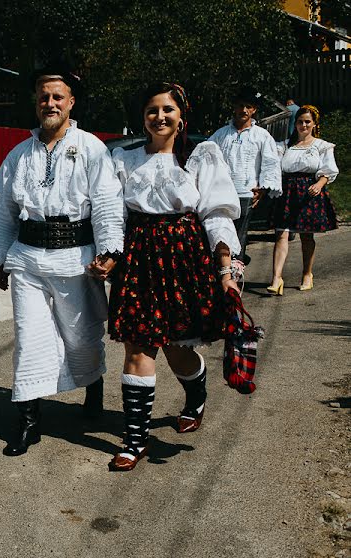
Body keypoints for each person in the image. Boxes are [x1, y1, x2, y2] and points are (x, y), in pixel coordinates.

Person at [0, 64, 124, 456]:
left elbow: (107, 201)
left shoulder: (91, 147)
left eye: (58, 97)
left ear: (71, 102)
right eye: (44, 96)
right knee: (30, 339)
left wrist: (109, 251)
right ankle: (28, 421)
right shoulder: (19, 155)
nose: (50, 103)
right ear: (36, 102)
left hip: (76, 258)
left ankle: (93, 385)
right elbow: (1, 208)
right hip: (28, 259)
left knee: (81, 335)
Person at [108, 82, 241, 471]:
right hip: (138, 257)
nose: (160, 117)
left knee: (176, 348)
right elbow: (113, 214)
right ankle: (135, 439)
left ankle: (195, 394)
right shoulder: (123, 159)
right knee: (137, 347)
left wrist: (225, 268)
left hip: (184, 258)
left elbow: (216, 213)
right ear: (143, 117)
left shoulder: (201, 156)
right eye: (152, 110)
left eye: (168, 109)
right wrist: (110, 255)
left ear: (181, 117)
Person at [267, 104, 339, 295]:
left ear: (314, 124)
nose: (303, 125)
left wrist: (319, 184)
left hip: (308, 192)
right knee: (281, 233)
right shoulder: (285, 146)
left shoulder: (321, 146)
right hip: (288, 191)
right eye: (300, 121)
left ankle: (307, 274)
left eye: (307, 121)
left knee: (306, 236)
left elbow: (328, 170)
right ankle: (277, 278)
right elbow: (274, 167)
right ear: (295, 124)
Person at [208, 87, 282, 265]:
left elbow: (270, 162)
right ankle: (219, 273)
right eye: (240, 106)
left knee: (239, 236)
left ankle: (235, 273)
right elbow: (206, 158)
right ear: (234, 107)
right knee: (220, 232)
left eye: (248, 106)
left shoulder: (261, 136)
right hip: (223, 193)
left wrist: (263, 188)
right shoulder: (221, 134)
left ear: (254, 110)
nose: (244, 110)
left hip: (245, 193)